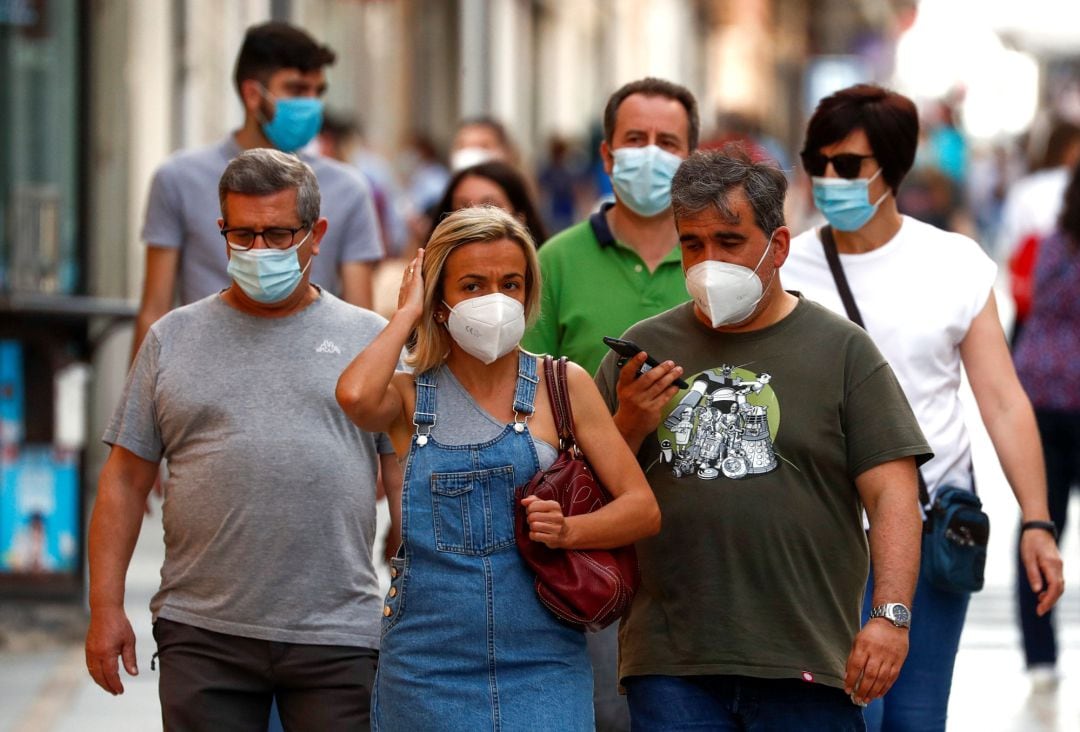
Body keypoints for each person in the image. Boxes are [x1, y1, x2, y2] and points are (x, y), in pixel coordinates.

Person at [594, 148, 930, 730]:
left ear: (777, 246)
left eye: (729, 242)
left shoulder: (844, 352)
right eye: (692, 243)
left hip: (808, 661)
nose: (707, 261)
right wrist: (629, 422)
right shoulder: (642, 351)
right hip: (672, 661)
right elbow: (590, 491)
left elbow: (893, 495)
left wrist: (890, 617)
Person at [783, 83, 1065, 731]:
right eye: (815, 163)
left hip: (932, 521)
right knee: (845, 714)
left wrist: (1039, 520)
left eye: (848, 166)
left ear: (892, 169)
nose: (829, 180)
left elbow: (1001, 399)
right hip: (819, 535)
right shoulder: (787, 268)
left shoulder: (952, 264)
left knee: (913, 718)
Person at [85, 149, 388, 729]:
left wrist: (410, 605)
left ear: (317, 235)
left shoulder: (367, 339)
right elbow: (124, 480)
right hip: (203, 634)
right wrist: (105, 608)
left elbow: (403, 480)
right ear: (220, 231)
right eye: (242, 234)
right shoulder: (172, 339)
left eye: (278, 234)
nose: (259, 250)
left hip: (337, 632)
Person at [335, 206, 660, 731]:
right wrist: (405, 316)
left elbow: (641, 509)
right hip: (425, 668)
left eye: (511, 283)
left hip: (544, 660)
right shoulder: (407, 396)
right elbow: (352, 395)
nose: (495, 299)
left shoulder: (563, 386)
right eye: (471, 285)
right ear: (440, 302)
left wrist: (570, 530)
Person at [520, 76, 699, 728]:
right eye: (635, 140)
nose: (650, 155)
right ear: (606, 155)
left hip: (706, 549)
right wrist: (620, 426)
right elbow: (525, 418)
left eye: (668, 142)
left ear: (691, 159)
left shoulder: (719, 266)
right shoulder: (556, 263)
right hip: (594, 553)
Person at [132, 21, 384, 360]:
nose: (311, 104)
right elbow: (154, 310)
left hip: (313, 373)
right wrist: (141, 402)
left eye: (317, 91)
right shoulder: (178, 177)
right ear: (253, 94)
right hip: (205, 371)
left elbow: (360, 322)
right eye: (296, 90)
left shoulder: (349, 188)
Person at [1012, 162, 1080, 690]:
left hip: (1039, 393)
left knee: (1041, 522)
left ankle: (1040, 656)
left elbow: (1026, 303)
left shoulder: (1051, 245)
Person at [429, 160, 549, 244]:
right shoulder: (427, 277)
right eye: (462, 208)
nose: (474, 217)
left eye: (489, 207)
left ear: (520, 217)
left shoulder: (547, 273)